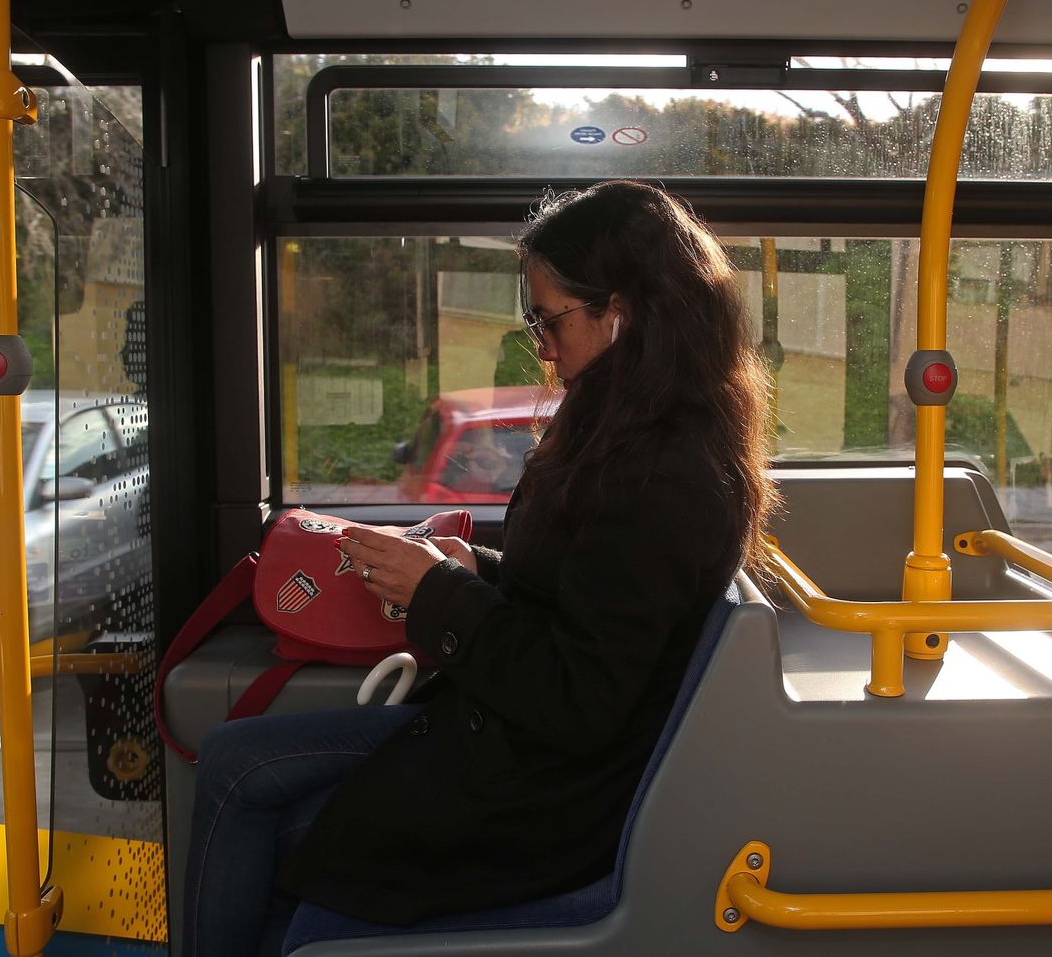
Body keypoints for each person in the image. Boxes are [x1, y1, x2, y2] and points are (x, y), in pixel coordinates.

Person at [181, 180, 780, 956]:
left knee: (277, 826)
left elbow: (578, 698)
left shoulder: (663, 477)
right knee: (230, 758)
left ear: (622, 312)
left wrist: (438, 593)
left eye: (550, 319)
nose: (542, 346)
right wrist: (476, 568)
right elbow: (584, 591)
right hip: (514, 742)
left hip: (549, 793)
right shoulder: (625, 428)